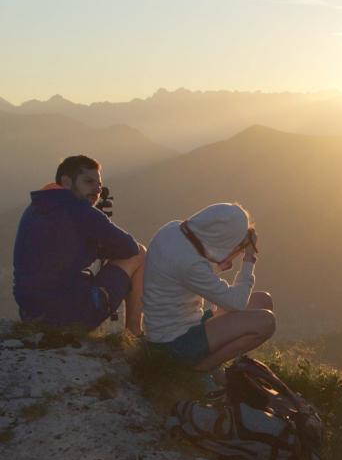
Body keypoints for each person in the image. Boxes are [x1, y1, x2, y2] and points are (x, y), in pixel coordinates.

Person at [13, 155, 146, 335]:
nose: (97, 190)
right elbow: (129, 248)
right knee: (139, 253)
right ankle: (134, 332)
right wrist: (101, 243)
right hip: (69, 317)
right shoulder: (79, 209)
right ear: (67, 181)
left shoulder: (35, 208)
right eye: (88, 182)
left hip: (30, 313)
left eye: (99, 185)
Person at [142, 203, 275, 374]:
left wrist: (222, 260)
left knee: (262, 300)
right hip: (173, 343)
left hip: (183, 324)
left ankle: (209, 364)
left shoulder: (174, 229)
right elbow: (238, 303)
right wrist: (249, 257)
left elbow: (187, 274)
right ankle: (202, 370)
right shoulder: (189, 264)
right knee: (266, 322)